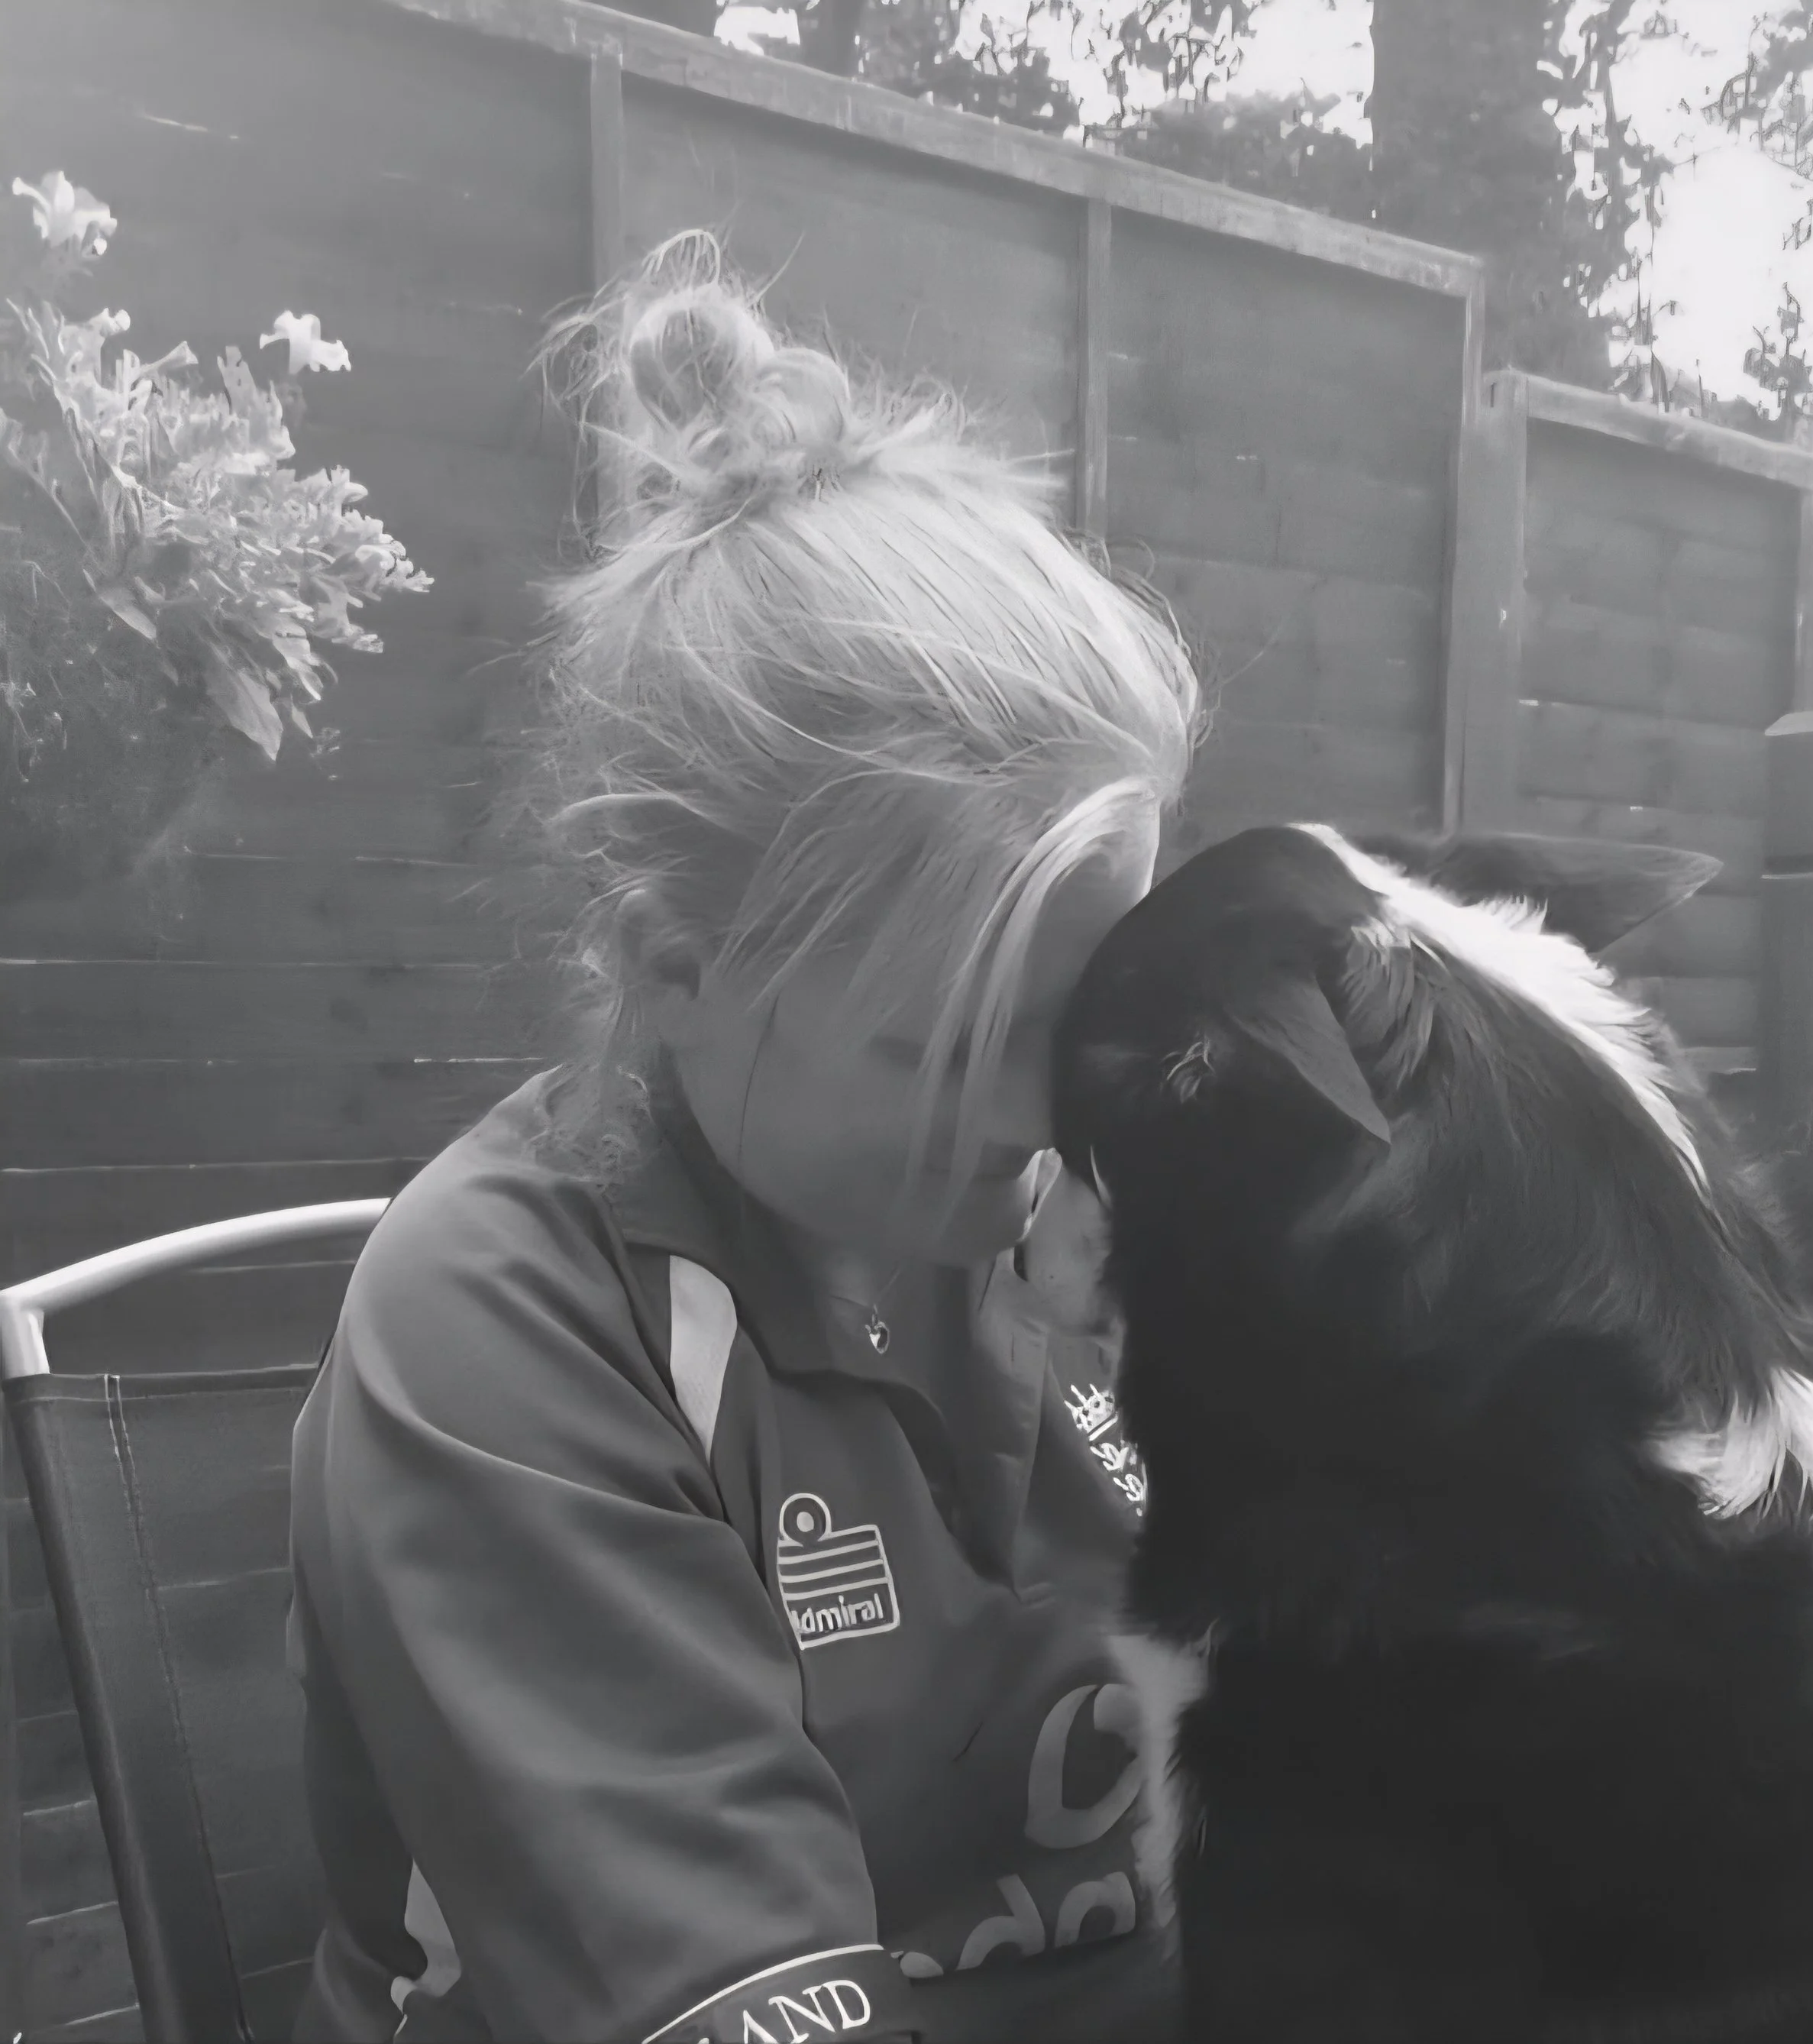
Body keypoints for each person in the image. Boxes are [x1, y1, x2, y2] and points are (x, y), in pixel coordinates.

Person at [286, 230, 1204, 2044]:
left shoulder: (1120, 1212)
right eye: (957, 1043)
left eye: (1096, 1018)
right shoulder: (508, 1325)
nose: (1057, 1119)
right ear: (675, 968)